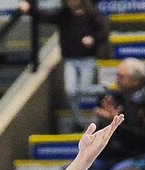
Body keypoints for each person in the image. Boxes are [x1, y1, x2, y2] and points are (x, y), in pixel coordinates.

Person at [18, 0, 108, 132]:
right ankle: (78, 121)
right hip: (70, 59)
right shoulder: (64, 15)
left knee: (84, 88)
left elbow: (103, 33)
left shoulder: (91, 14)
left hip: (87, 59)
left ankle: (103, 89)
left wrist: (93, 39)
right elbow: (45, 17)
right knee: (71, 91)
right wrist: (30, 9)